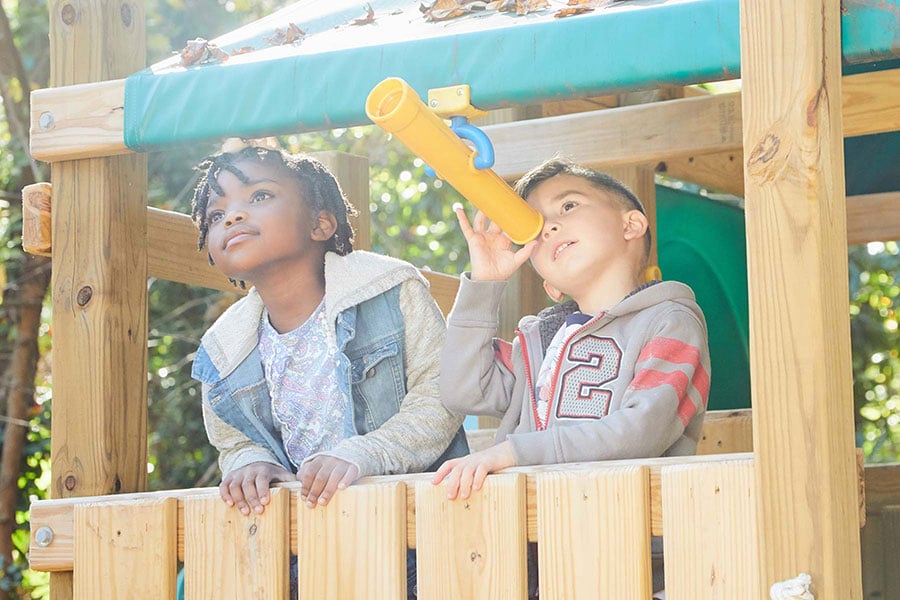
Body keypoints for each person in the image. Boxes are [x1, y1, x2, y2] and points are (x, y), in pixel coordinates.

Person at [432, 158, 710, 597]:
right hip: (531, 555)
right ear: (550, 286)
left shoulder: (670, 321)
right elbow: (462, 388)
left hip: (631, 555)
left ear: (631, 224)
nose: (549, 229)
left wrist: (516, 452)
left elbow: (641, 430)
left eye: (568, 206)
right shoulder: (540, 340)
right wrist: (484, 284)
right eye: (534, 228)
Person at [188, 144, 468, 520]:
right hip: (305, 535)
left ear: (320, 223)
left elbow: (442, 392)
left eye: (260, 195)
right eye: (216, 214)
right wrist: (252, 462)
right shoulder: (223, 350)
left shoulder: (389, 291)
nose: (233, 216)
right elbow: (234, 440)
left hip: (417, 524)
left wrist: (367, 453)